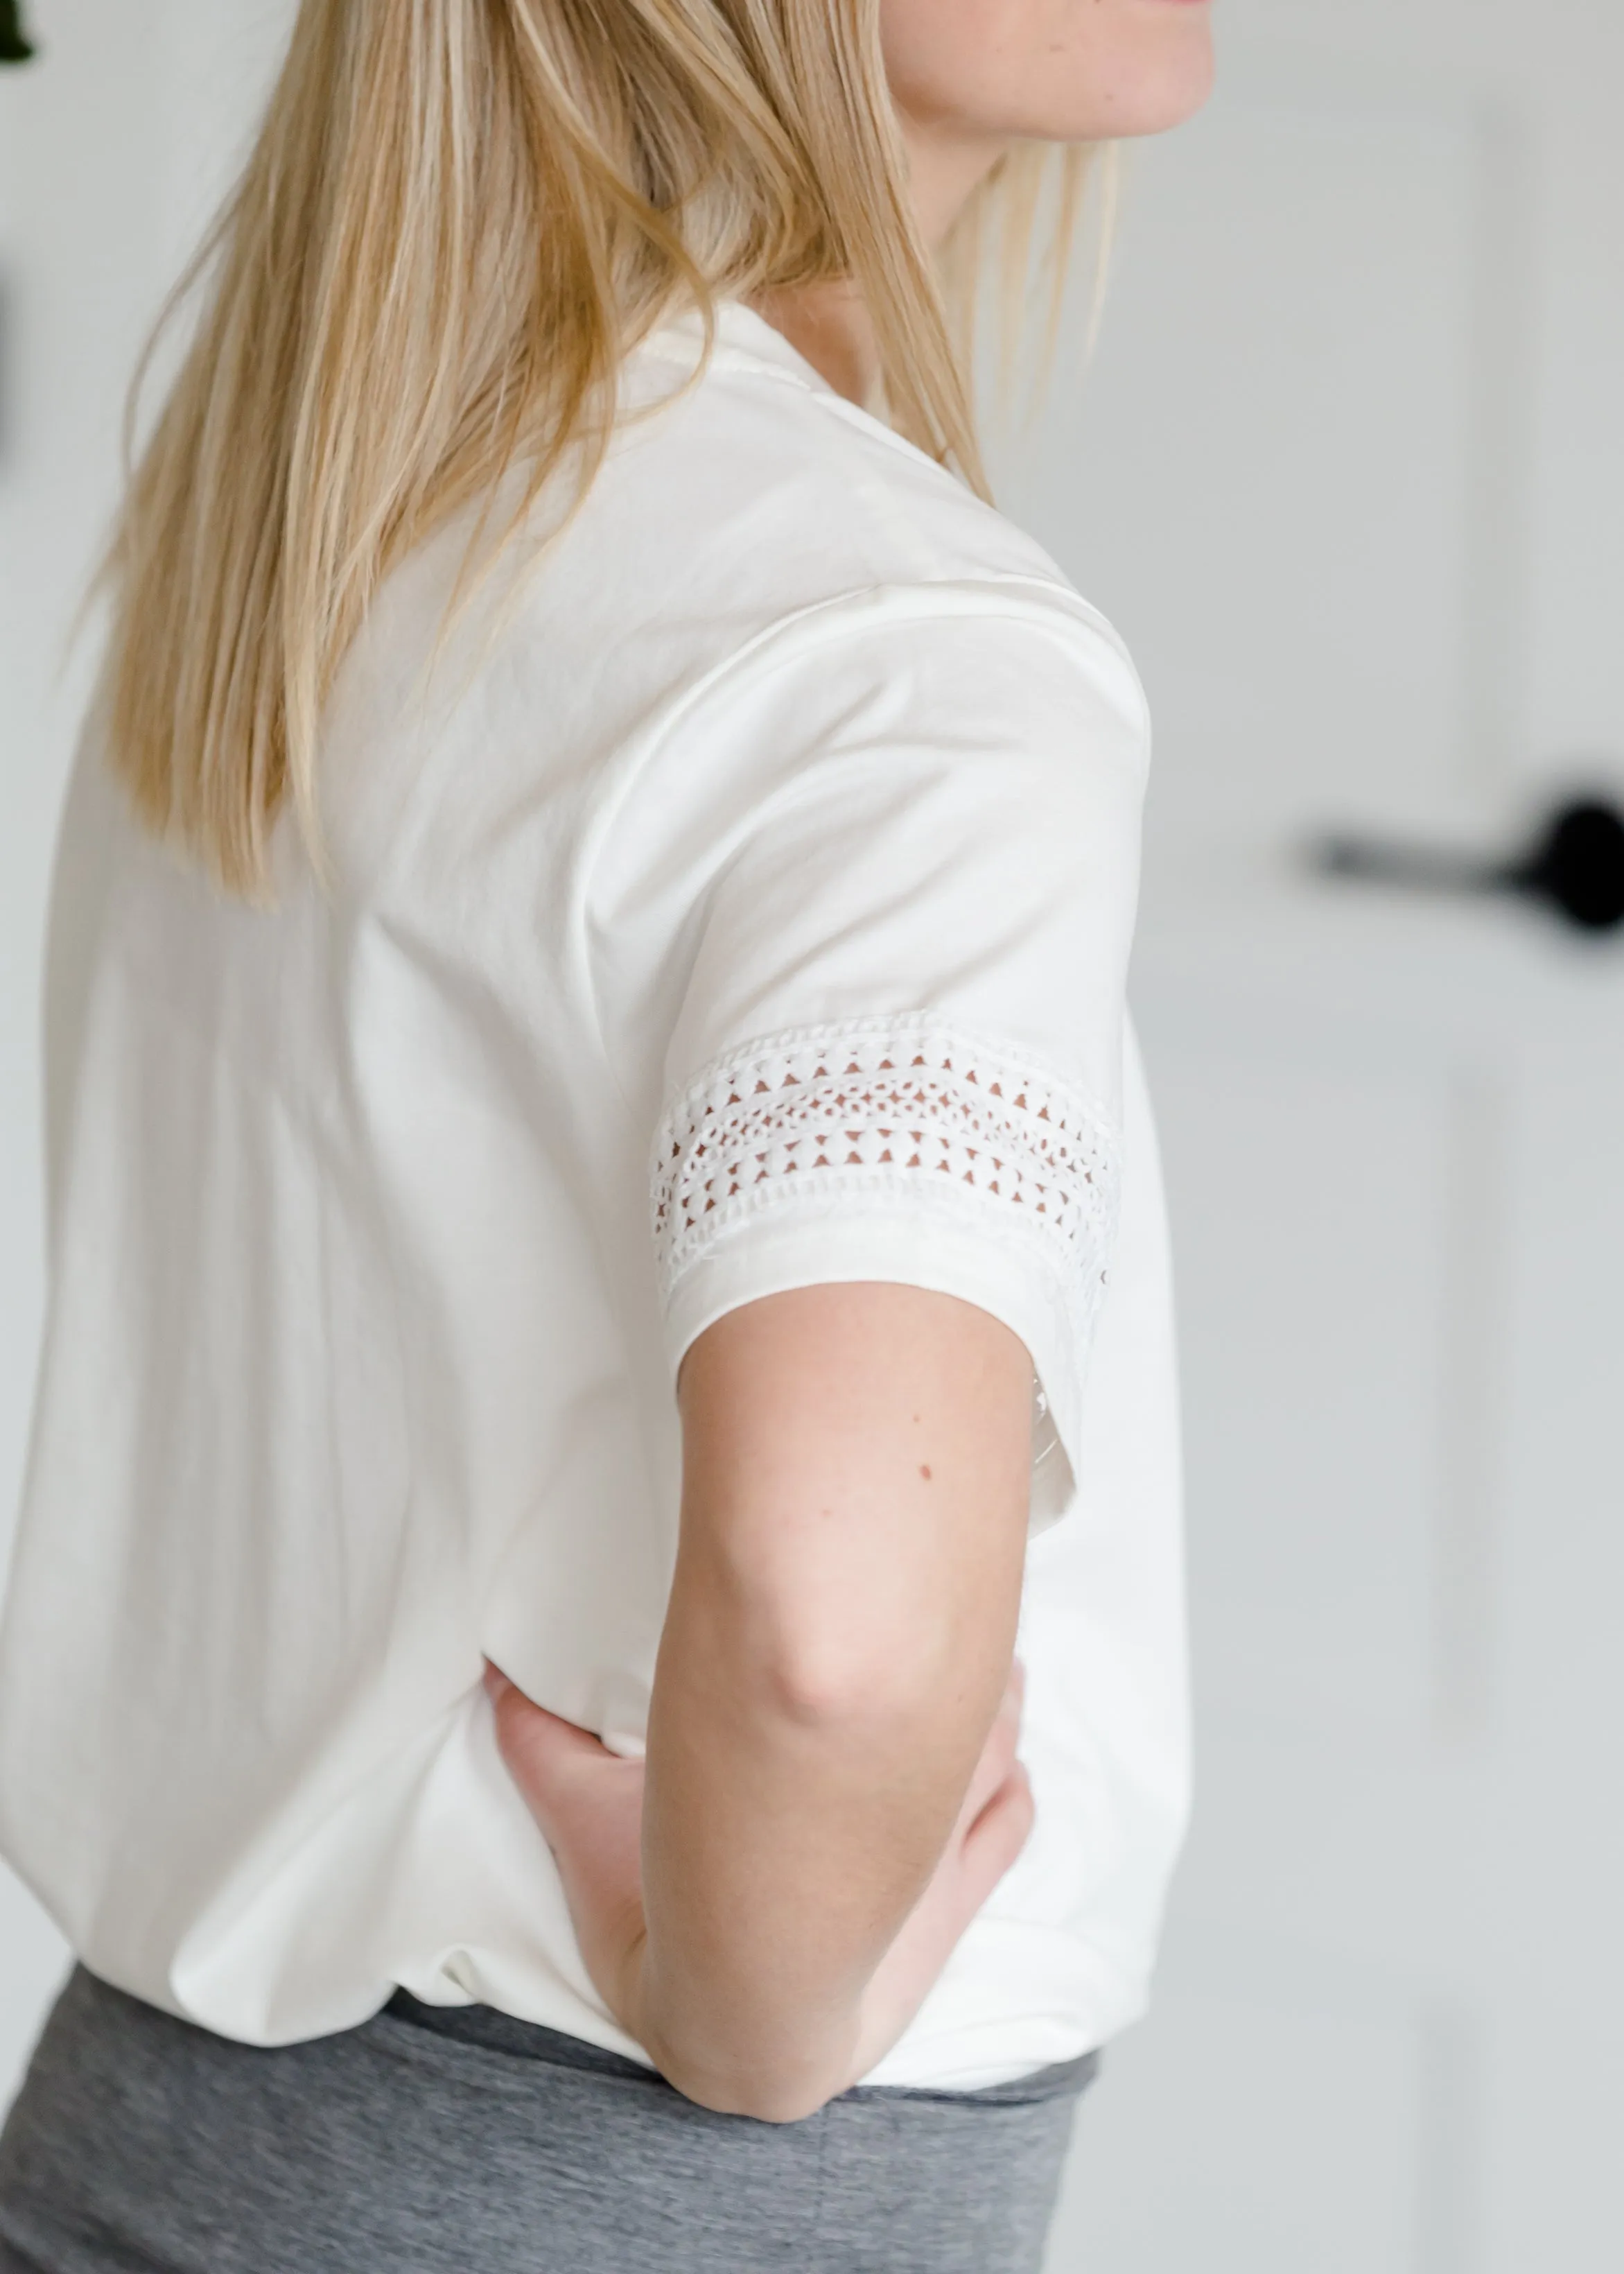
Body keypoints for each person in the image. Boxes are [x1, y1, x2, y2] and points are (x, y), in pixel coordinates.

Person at [0, 2, 1212, 2267]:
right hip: (634, 2168)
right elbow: (828, 1632)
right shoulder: (900, 655)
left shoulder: (325, 500)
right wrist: (746, 2020)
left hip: (144, 2123)